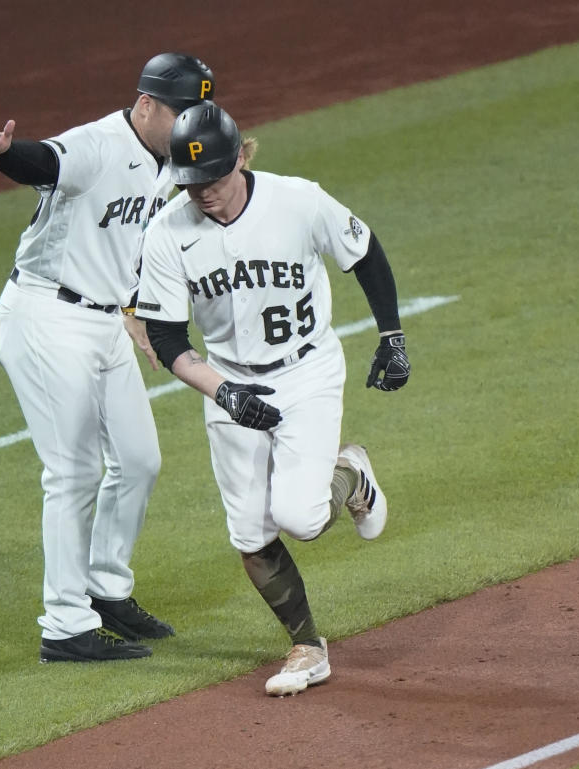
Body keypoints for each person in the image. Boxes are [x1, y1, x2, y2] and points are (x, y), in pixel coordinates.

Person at [136, 102, 411, 695]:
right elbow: (165, 335)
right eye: (190, 183)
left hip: (306, 373)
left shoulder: (298, 201)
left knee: (301, 518)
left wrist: (392, 335)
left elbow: (364, 252)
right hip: (230, 381)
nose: (202, 193)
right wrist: (225, 392)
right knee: (251, 534)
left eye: (211, 177)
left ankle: (351, 474)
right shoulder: (168, 233)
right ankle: (307, 647)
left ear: (240, 156)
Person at [0, 53, 216, 663]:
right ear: (146, 104)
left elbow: (129, 246)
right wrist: (5, 154)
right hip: (47, 315)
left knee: (139, 460)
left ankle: (105, 590)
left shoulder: (174, 157)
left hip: (106, 322)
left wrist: (137, 315)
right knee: (72, 473)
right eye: (179, 111)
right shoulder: (99, 144)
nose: (187, 125)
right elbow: (45, 161)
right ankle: (64, 626)